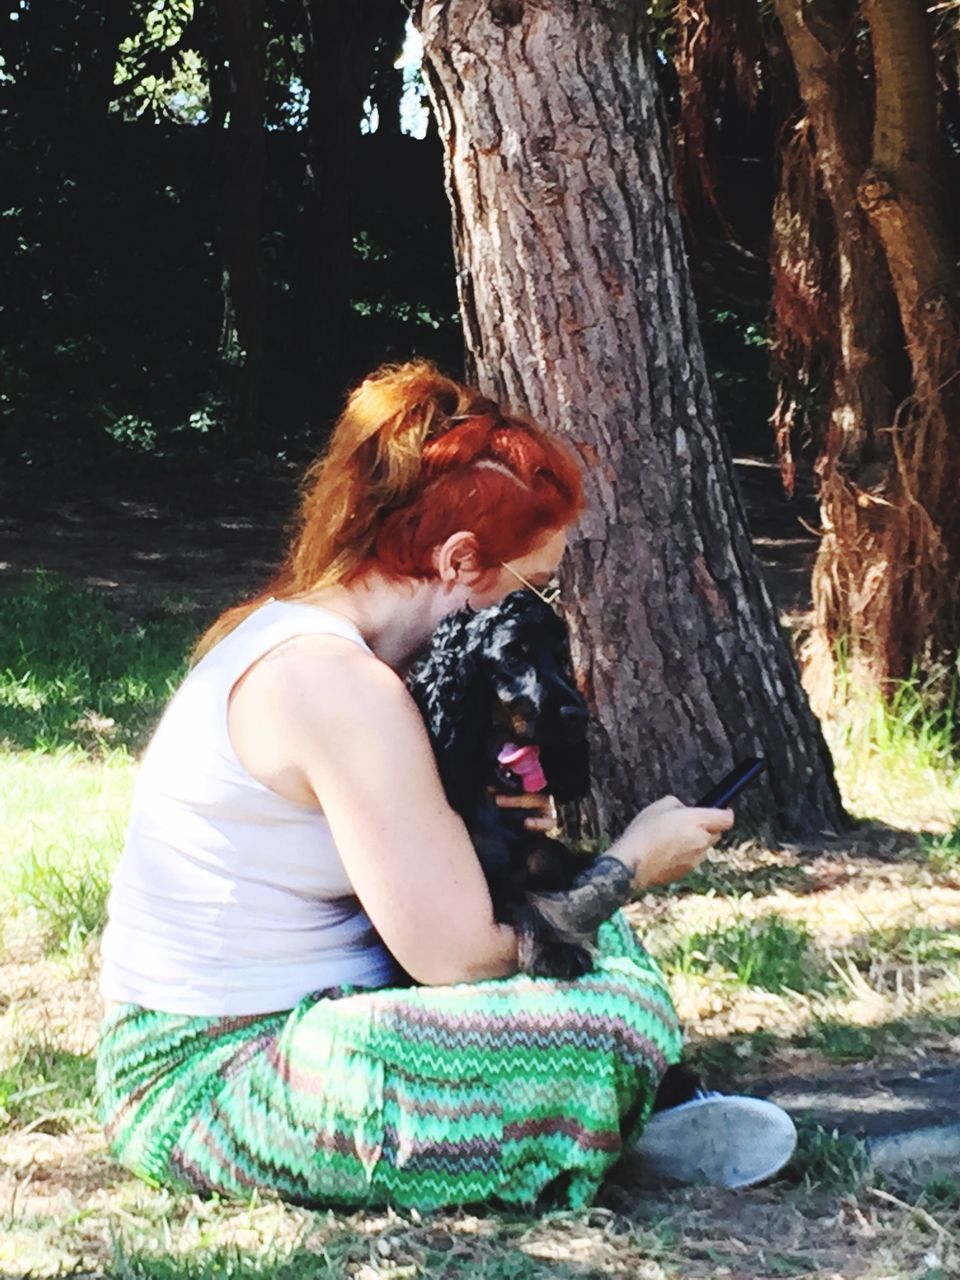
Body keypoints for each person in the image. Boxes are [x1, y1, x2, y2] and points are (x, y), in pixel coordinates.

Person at [96, 359, 796, 1209]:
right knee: (611, 1017)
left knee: (604, 956)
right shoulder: (335, 686)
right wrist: (629, 868)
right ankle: (593, 1123)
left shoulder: (315, 640)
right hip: (211, 1083)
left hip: (315, 1025)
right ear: (461, 560)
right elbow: (458, 957)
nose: (536, 609)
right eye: (532, 583)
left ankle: (575, 1122)